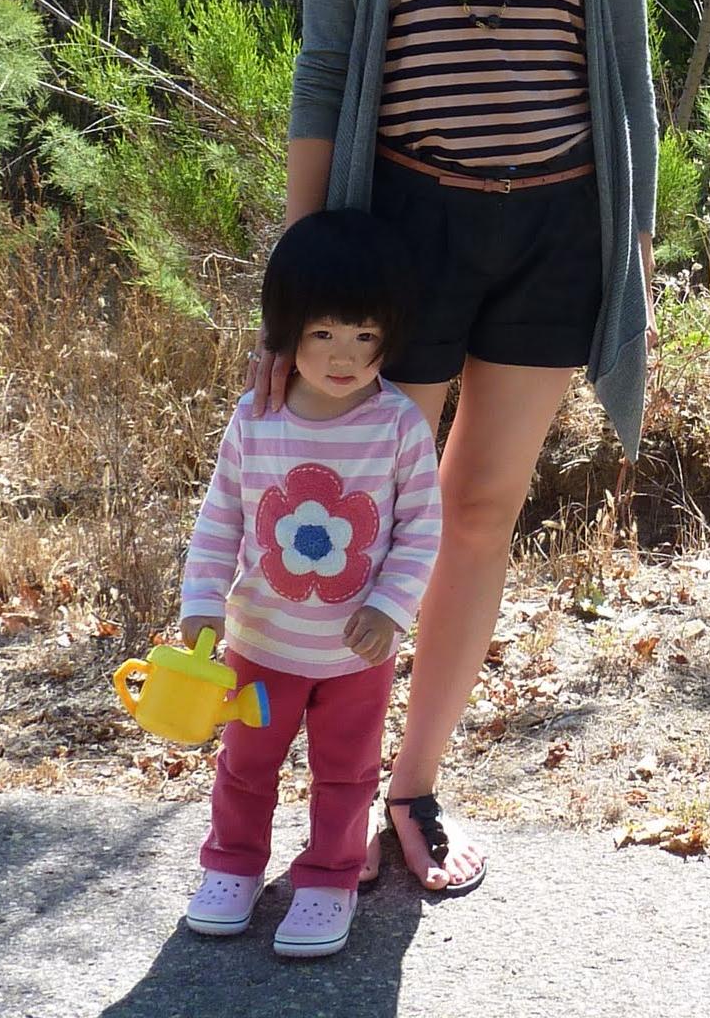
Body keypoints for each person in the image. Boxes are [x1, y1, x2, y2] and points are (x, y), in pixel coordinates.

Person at [253, 0, 658, 895]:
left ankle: (410, 793)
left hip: (557, 232)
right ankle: (329, 801)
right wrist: (303, 270)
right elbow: (324, 70)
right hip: (402, 237)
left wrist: (629, 248)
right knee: (371, 520)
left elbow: (625, 81)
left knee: (477, 514)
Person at [180, 207, 441, 957]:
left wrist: (392, 608)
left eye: (365, 336)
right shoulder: (255, 417)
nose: (342, 355)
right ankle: (230, 867)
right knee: (245, 765)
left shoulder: (397, 425)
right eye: (323, 332)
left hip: (355, 655)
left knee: (345, 775)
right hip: (260, 644)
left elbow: (423, 528)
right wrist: (201, 604)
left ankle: (328, 879)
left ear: (390, 335)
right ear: (287, 326)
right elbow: (220, 516)